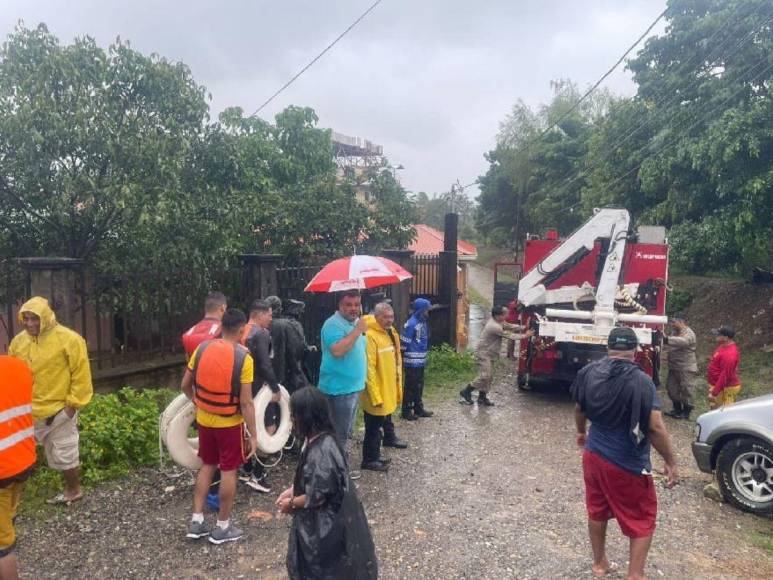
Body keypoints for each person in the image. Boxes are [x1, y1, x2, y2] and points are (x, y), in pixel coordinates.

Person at [571, 326, 678, 580]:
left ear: (608, 347)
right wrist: (671, 461)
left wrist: (581, 433)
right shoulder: (642, 380)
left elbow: (579, 408)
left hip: (593, 454)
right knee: (642, 517)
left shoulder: (588, 372)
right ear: (635, 350)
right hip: (626, 462)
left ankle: (599, 564)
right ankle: (635, 575)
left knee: (596, 508)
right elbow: (654, 427)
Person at [278, 386, 377, 580]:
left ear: (305, 417)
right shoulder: (326, 440)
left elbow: (317, 496)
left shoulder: (320, 452)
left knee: (324, 569)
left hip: (327, 527)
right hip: (341, 518)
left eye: (294, 415)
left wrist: (290, 503)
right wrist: (293, 489)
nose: (291, 419)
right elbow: (317, 481)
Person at [182, 308, 258, 545]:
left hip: (205, 420)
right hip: (229, 424)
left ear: (221, 326)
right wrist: (254, 435)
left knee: (207, 465)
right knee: (228, 470)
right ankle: (222, 527)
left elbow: (184, 385)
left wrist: (199, 402)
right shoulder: (244, 357)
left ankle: (196, 521)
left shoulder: (202, 348)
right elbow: (246, 402)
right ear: (243, 329)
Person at [9, 297, 92, 504]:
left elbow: (80, 374)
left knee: (65, 452)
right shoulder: (19, 342)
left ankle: (74, 490)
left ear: (45, 317)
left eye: (34, 319)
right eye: (26, 318)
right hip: (27, 409)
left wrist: (72, 406)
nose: (30, 324)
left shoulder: (69, 339)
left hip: (59, 409)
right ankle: (15, 496)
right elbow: (13, 372)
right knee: (18, 452)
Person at [181, 291, 227, 510]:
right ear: (222, 309)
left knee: (208, 450)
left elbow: (188, 370)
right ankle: (217, 494)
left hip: (201, 399)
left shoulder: (189, 333)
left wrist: (194, 398)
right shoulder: (220, 332)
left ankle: (207, 490)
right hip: (222, 400)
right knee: (223, 454)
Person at [0, 356, 36, 580]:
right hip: (22, 459)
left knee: (2, 544)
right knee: (8, 520)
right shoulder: (18, 366)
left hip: (2, 469)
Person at [240, 299, 282, 493]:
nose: (271, 319)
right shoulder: (261, 334)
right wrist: (275, 388)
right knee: (269, 428)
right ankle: (258, 473)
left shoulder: (242, 331)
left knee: (247, 428)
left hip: (242, 387)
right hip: (259, 387)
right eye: (270, 315)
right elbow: (265, 364)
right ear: (260, 314)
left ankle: (246, 468)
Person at [359, 303, 407, 472]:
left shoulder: (391, 332)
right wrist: (375, 395)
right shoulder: (370, 336)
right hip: (377, 391)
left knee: (382, 421)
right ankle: (369, 459)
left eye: (391, 317)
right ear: (376, 317)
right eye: (385, 317)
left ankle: (377, 454)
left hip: (387, 387)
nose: (389, 320)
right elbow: (369, 369)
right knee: (372, 427)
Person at [318, 291, 368, 449]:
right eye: (348, 305)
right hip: (338, 389)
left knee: (346, 432)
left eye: (356, 304)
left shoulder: (355, 322)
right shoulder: (332, 324)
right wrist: (358, 331)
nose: (354, 308)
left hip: (354, 386)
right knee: (338, 435)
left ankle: (339, 466)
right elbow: (338, 351)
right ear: (339, 305)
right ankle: (337, 470)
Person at [460, 305, 531, 406]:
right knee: (485, 376)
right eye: (505, 314)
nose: (507, 315)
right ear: (498, 315)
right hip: (483, 353)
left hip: (490, 352)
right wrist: (525, 335)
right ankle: (466, 391)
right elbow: (510, 335)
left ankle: (482, 397)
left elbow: (509, 326)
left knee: (488, 376)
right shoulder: (494, 326)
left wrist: (524, 327)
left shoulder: (498, 321)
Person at [400, 297, 433, 420]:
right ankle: (406, 411)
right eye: (426, 310)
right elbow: (404, 343)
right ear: (420, 310)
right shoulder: (411, 323)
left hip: (420, 361)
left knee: (419, 385)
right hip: (411, 361)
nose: (428, 312)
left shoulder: (423, 322)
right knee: (410, 386)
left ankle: (418, 408)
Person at [662, 314, 698, 419]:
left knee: (687, 389)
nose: (672, 324)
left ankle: (686, 412)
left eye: (674, 322)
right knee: (671, 388)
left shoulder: (689, 333)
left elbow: (683, 342)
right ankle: (677, 409)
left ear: (681, 322)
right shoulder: (675, 332)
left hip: (685, 367)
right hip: (674, 366)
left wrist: (667, 339)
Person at [707, 325, 741, 410]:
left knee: (724, 412)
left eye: (718, 334)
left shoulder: (730, 354)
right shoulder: (723, 346)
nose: (716, 336)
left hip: (726, 388)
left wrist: (714, 393)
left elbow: (725, 376)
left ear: (726, 338)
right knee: (714, 409)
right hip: (717, 385)